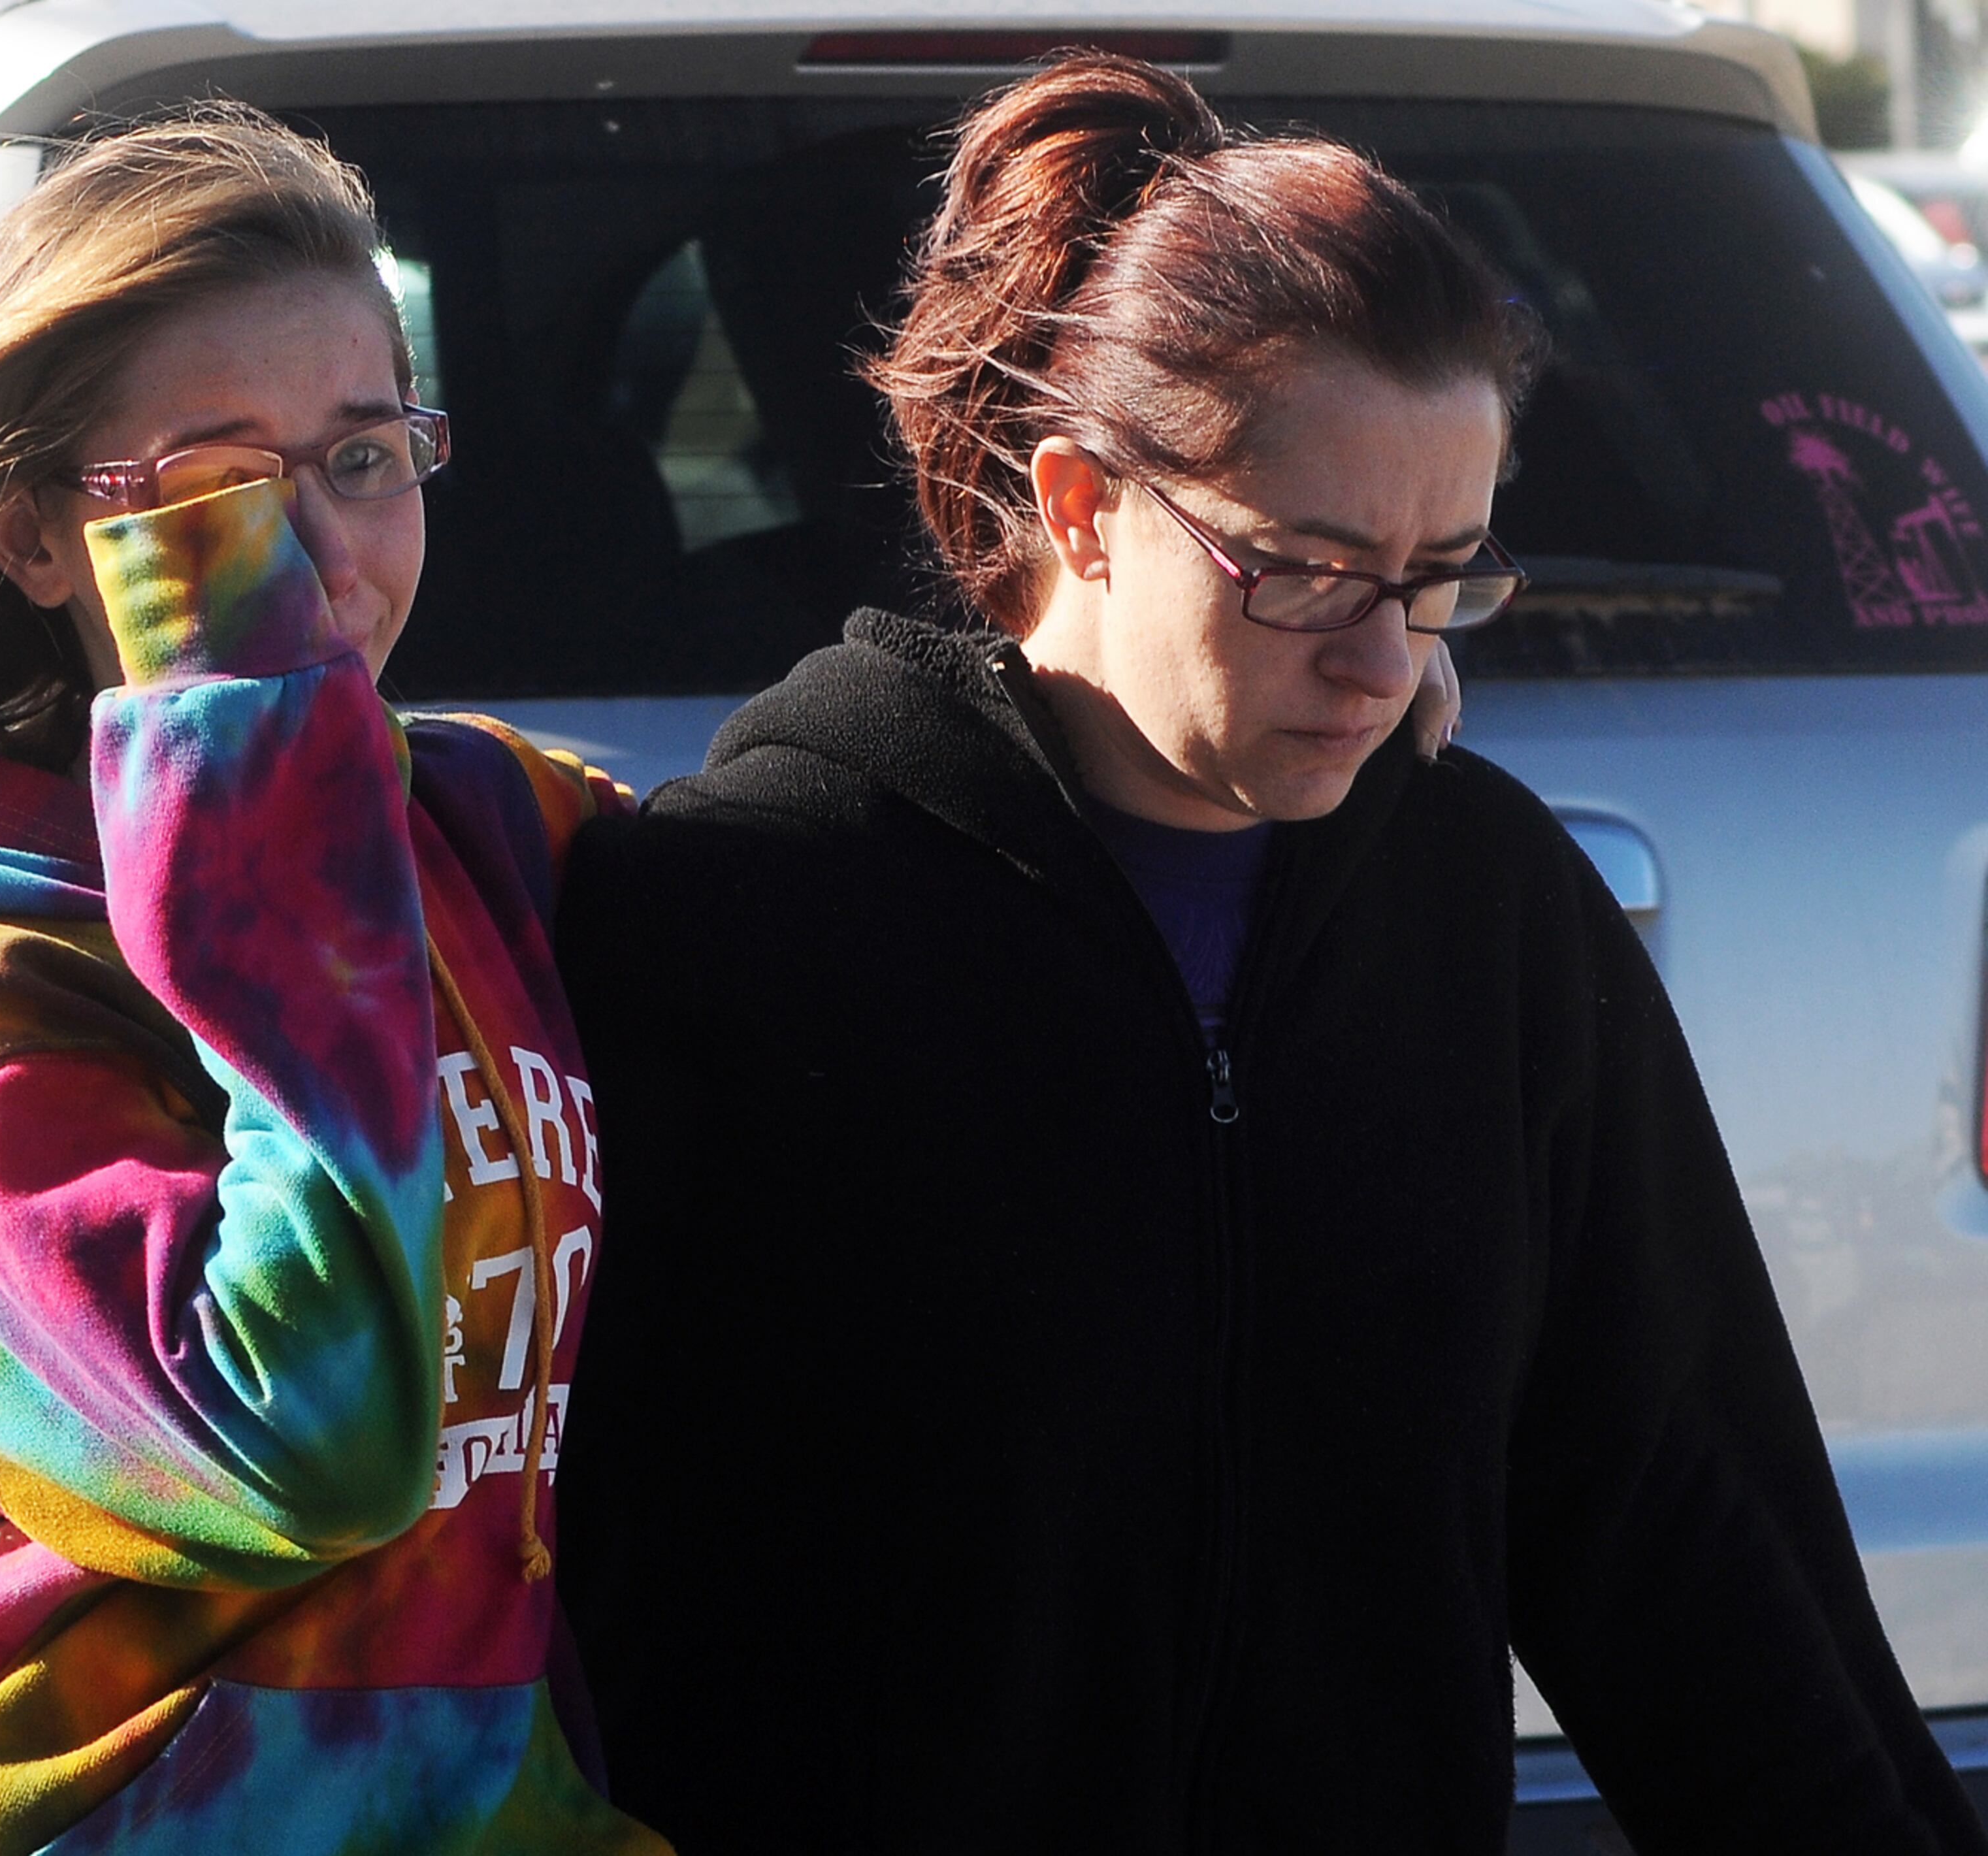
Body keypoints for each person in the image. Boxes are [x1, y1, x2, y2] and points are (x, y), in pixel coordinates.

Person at [542, 54, 1988, 1856]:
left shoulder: (1488, 915)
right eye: (1306, 570)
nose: (1385, 664)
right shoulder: (736, 921)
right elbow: (586, 1603)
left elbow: (1683, 1533)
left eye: (1439, 573)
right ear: (1077, 506)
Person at [0, 108, 664, 1855]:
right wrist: (259, 804)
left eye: (365, 457)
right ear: (28, 533)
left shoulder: (480, 820)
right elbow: (299, 1446)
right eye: (216, 492)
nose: (315, 550)